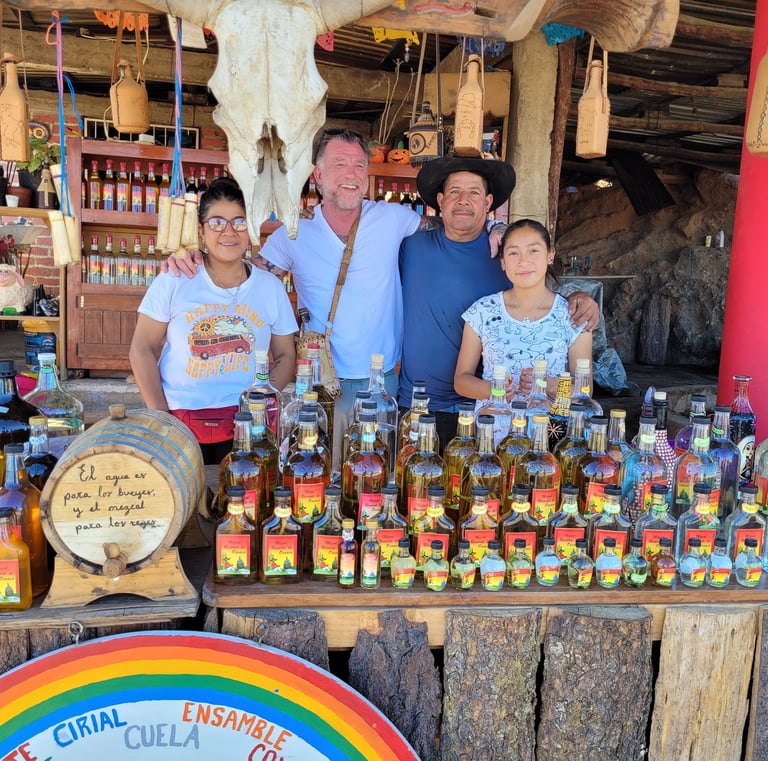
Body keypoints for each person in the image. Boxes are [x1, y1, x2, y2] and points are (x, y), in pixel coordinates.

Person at [398, 156, 599, 445]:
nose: (463, 200)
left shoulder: (502, 252)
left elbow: (543, 295)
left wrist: (580, 299)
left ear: (489, 202)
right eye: (454, 192)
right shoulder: (411, 248)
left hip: (506, 420)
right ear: (440, 200)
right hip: (423, 403)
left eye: (474, 193)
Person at [129, 176, 297, 464]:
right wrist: (162, 419)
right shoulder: (175, 279)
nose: (229, 232)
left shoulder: (270, 287)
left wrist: (262, 401)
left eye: (240, 222)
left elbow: (286, 355)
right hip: (180, 419)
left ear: (252, 229)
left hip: (247, 423)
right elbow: (141, 348)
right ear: (201, 230)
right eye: (217, 222)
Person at [454, 218, 592, 402]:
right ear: (502, 261)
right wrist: (494, 389)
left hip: (549, 428)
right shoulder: (482, 312)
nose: (523, 261)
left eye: (533, 251)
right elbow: (461, 380)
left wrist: (548, 385)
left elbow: (586, 390)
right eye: (513, 253)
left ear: (550, 255)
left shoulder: (573, 314)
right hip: (493, 426)